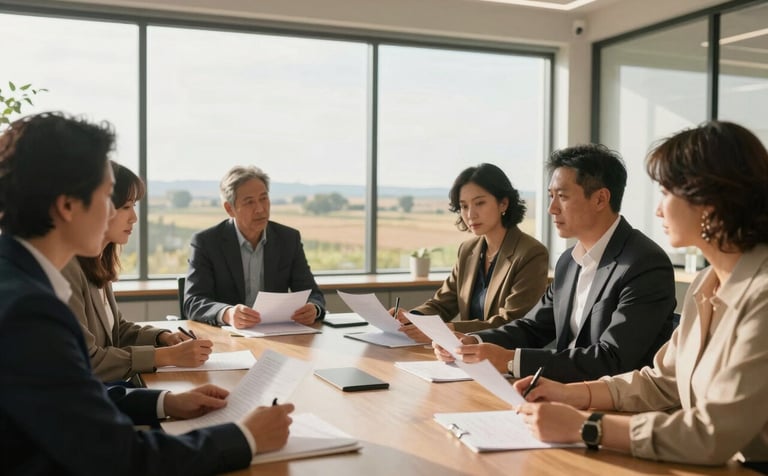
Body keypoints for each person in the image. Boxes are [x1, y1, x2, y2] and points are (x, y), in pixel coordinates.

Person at [0, 112, 294, 475]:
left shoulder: (21, 282)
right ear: (68, 206)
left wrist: (165, 402)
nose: (126, 216)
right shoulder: (28, 311)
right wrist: (245, 438)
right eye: (108, 197)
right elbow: (117, 457)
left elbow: (72, 400)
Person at [514, 121, 768, 470]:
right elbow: (661, 381)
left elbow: (711, 435)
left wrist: (587, 426)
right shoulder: (707, 282)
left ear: (708, 201)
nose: (658, 210)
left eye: (665, 193)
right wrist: (570, 393)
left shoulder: (762, 297)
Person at [434, 144, 677, 383]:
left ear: (600, 199)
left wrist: (509, 360)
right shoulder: (568, 262)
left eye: (562, 196)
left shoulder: (644, 264)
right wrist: (473, 342)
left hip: (610, 400)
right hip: (558, 390)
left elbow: (612, 359)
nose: (552, 209)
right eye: (551, 196)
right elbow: (532, 327)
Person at [62, 161, 213, 383]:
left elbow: (117, 332)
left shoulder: (98, 262)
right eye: (126, 207)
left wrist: (163, 338)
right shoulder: (68, 269)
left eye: (134, 206)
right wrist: (167, 356)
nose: (134, 217)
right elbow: (87, 361)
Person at [394, 163, 549, 342]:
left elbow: (513, 322)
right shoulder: (468, 250)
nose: (470, 214)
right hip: (466, 351)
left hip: (505, 353)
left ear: (503, 203)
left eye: (480, 203)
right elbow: (443, 303)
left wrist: (451, 329)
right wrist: (411, 318)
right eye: (464, 206)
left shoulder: (531, 253)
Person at [184, 165, 326, 328]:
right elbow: (193, 302)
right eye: (249, 202)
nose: (260, 209)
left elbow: (312, 293)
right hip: (227, 335)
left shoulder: (288, 239)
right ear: (229, 209)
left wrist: (314, 308)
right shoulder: (206, 242)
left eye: (263, 199)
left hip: (277, 333)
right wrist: (227, 314)